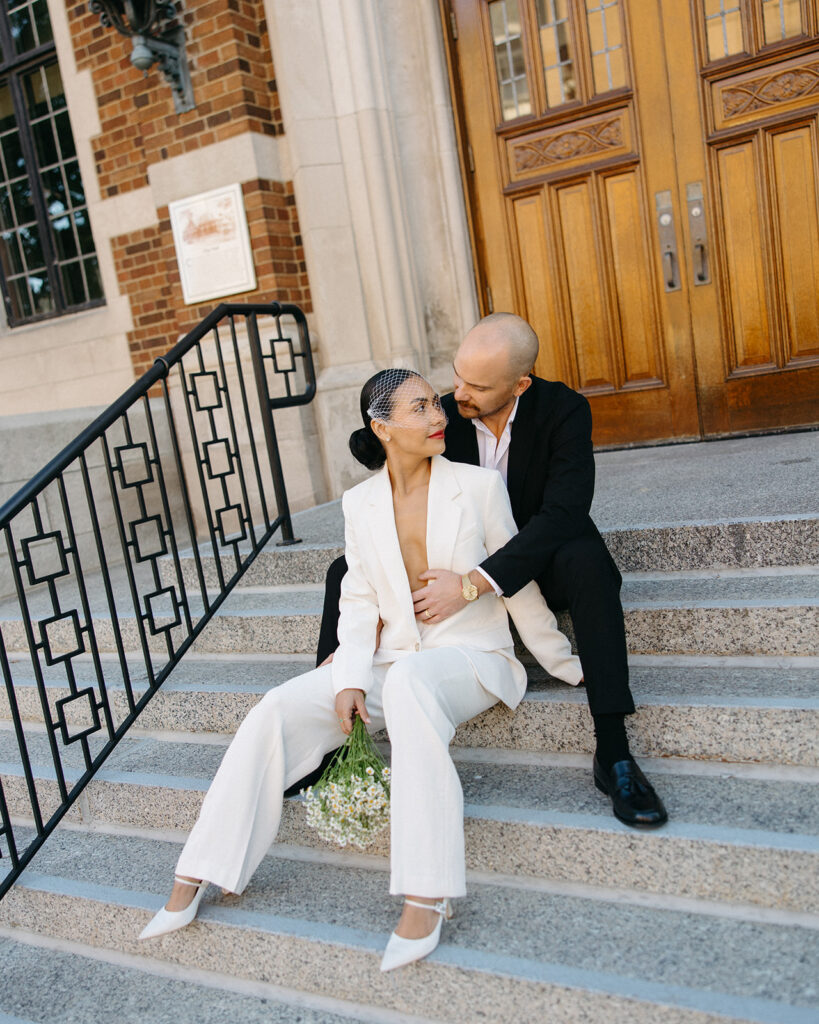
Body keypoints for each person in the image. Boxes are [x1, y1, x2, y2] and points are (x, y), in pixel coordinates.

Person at [138, 368, 582, 971]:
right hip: (393, 655)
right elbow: (359, 600)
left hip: (471, 659)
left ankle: (428, 893)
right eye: (420, 407)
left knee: (408, 684)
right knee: (277, 707)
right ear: (382, 427)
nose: (438, 417)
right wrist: (349, 676)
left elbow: (514, 577)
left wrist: (561, 659)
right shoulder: (359, 503)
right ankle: (196, 873)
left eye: (436, 404)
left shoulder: (476, 486)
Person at [315, 315, 667, 828]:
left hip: (543, 555)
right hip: (464, 552)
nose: (456, 394)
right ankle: (332, 727)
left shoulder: (564, 410)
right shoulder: (444, 416)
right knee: (344, 571)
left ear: (519, 384)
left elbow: (563, 513)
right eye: (456, 377)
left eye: (476, 386)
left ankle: (613, 752)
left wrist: (473, 583)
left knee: (587, 560)